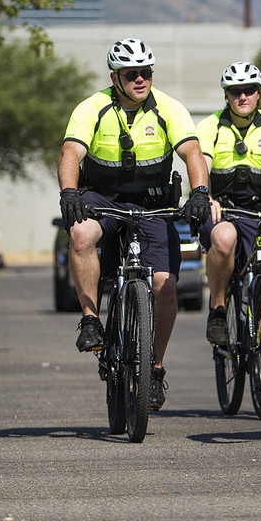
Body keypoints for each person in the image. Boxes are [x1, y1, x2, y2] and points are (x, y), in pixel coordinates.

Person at [58, 37, 211, 411]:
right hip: (102, 199)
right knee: (80, 234)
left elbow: (192, 151)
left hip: (152, 203)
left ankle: (154, 368)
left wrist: (200, 191)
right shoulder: (92, 107)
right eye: (131, 74)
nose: (140, 80)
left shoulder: (169, 109)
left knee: (166, 285)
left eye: (146, 73)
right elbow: (70, 152)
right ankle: (91, 320)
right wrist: (69, 192)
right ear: (115, 77)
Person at [194, 61, 261, 391]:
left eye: (249, 90)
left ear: (259, 93)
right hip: (222, 212)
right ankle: (218, 310)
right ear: (227, 95)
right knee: (224, 236)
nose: (243, 96)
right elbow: (201, 165)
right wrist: (205, 195)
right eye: (236, 91)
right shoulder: (210, 127)